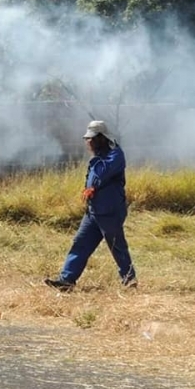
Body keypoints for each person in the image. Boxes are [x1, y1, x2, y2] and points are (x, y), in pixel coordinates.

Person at [45, 120, 137, 292]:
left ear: (102, 138)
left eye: (92, 139)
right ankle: (67, 280)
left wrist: (97, 162)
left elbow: (101, 174)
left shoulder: (115, 155)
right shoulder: (100, 156)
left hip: (110, 211)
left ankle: (129, 280)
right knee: (80, 244)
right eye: (87, 139)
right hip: (93, 212)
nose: (88, 142)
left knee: (116, 246)